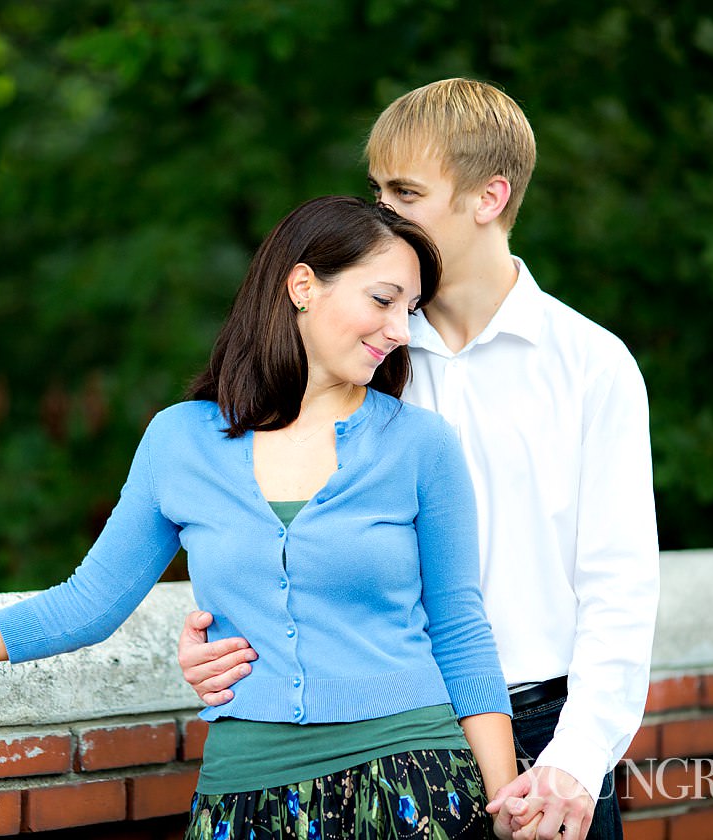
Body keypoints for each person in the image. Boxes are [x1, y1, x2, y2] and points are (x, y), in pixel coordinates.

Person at [0, 195, 518, 839]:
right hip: (247, 792)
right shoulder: (182, 441)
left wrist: (500, 804)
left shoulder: (420, 445)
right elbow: (87, 604)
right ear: (303, 285)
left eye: (411, 310)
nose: (400, 327)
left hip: (413, 783)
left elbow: (459, 627)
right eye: (384, 299)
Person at [176, 80, 660, 840]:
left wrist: (576, 759)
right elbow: (272, 514)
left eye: (405, 191)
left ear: (489, 197)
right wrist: (218, 633)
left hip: (549, 736)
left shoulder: (591, 366)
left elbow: (619, 588)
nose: (380, 212)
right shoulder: (361, 349)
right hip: (401, 740)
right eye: (374, 188)